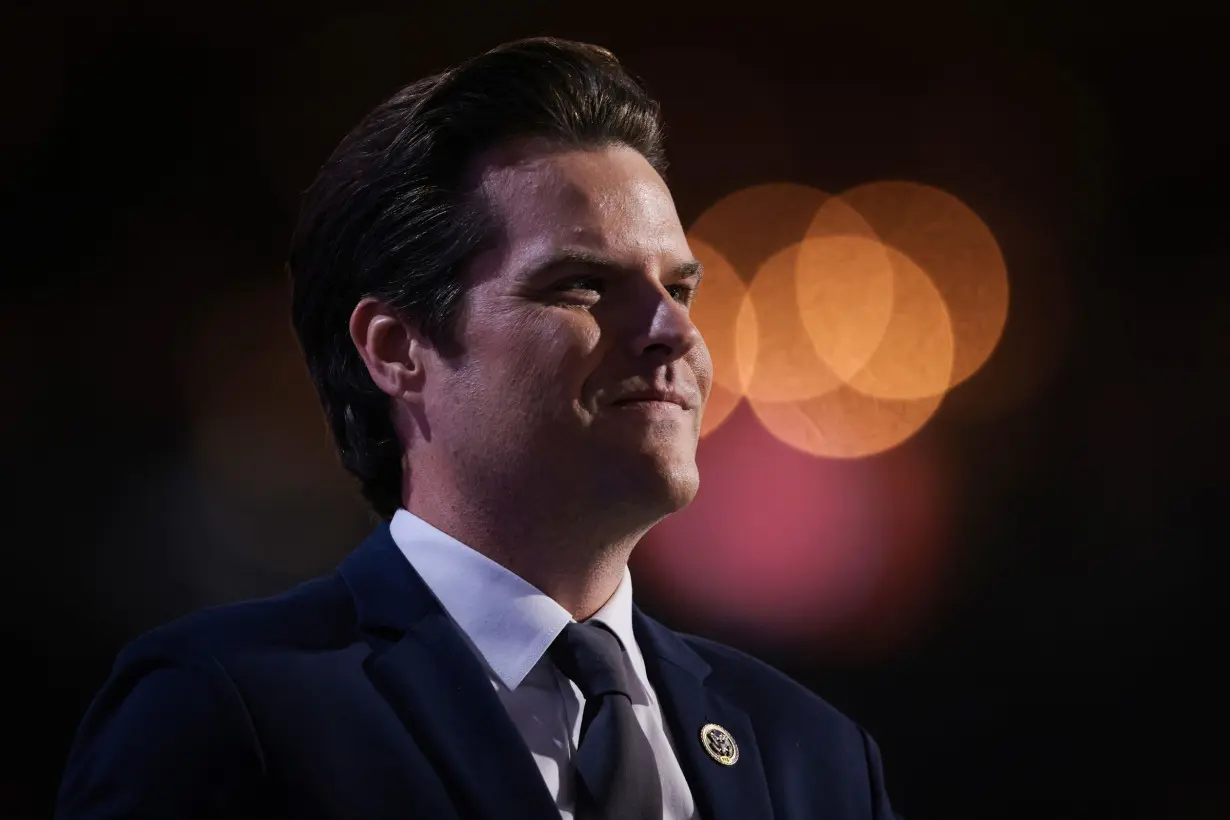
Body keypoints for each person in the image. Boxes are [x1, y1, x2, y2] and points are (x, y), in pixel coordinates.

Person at [56, 37, 899, 819]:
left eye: (679, 290)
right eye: (583, 286)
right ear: (398, 350)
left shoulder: (814, 756)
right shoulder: (220, 710)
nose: (674, 332)